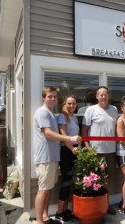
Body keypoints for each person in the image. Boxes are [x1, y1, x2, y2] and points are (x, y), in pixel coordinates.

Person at [33, 87, 81, 224]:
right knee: (43, 189)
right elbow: (47, 133)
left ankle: (45, 217)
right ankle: (39, 221)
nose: (52, 99)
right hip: (45, 156)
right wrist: (70, 139)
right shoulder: (43, 112)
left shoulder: (51, 113)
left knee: (48, 189)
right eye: (49, 96)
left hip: (53, 156)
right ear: (44, 98)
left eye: (54, 96)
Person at [82, 86, 118, 215]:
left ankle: (106, 204)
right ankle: (95, 206)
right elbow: (84, 132)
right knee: (95, 179)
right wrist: (88, 148)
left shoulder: (114, 109)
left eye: (105, 94)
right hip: (96, 151)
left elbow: (116, 129)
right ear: (97, 97)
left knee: (107, 178)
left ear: (108, 96)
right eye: (101, 95)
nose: (103, 97)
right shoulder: (91, 110)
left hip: (110, 151)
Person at [55, 95, 79, 222]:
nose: (71, 106)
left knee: (71, 182)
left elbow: (76, 137)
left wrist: (78, 148)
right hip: (66, 151)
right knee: (66, 182)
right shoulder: (62, 117)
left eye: (73, 104)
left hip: (74, 151)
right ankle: (59, 212)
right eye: (69, 103)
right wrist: (72, 149)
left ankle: (66, 210)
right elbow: (64, 136)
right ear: (64, 104)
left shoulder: (74, 117)